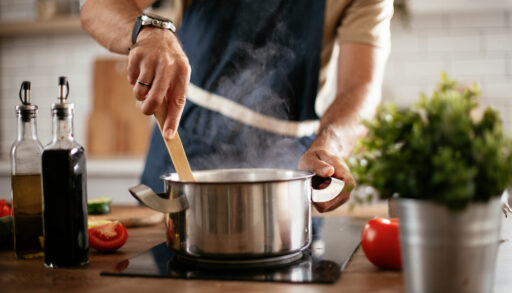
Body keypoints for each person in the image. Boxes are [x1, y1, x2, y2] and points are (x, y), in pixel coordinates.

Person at [80, 0, 393, 212]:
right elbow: (97, 7)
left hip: (289, 164)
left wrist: (332, 146)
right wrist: (146, 31)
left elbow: (361, 85)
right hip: (185, 145)